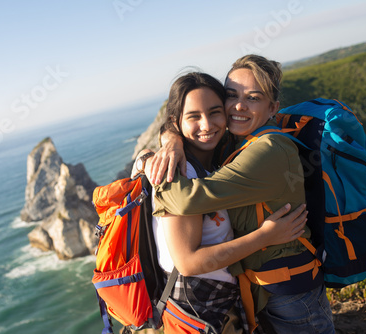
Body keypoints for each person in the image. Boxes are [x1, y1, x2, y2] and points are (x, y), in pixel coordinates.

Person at [142, 55, 335, 333]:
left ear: (273, 108)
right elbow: (189, 124)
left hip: (290, 290)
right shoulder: (237, 140)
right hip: (263, 289)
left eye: (253, 98)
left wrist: (150, 169)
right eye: (232, 95)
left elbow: (190, 199)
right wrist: (170, 139)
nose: (239, 106)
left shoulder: (268, 149)